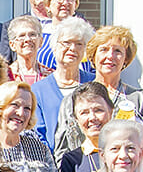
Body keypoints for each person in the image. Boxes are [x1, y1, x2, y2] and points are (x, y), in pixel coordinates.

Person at [68, 25, 143, 171]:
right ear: (93, 56)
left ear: (126, 59)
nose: (110, 56)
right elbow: (63, 146)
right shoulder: (74, 98)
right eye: (104, 50)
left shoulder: (138, 98)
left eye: (118, 51)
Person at [31, 16, 95, 155]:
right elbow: (38, 135)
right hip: (52, 165)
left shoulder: (94, 84)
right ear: (54, 46)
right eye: (66, 43)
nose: (72, 48)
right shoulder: (38, 90)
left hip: (90, 164)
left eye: (79, 44)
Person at [57, 81, 115, 172]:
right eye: (84, 112)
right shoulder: (71, 161)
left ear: (111, 112)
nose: (92, 117)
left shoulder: (125, 154)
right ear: (76, 119)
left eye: (98, 110)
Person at [37, 0, 82, 71]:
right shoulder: (39, 34)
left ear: (76, 4)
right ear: (48, 5)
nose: (65, 3)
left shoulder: (85, 35)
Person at [6, 15, 51, 85]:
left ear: (41, 41)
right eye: (22, 36)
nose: (27, 39)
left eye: (32, 35)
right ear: (12, 45)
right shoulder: (6, 75)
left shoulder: (51, 76)